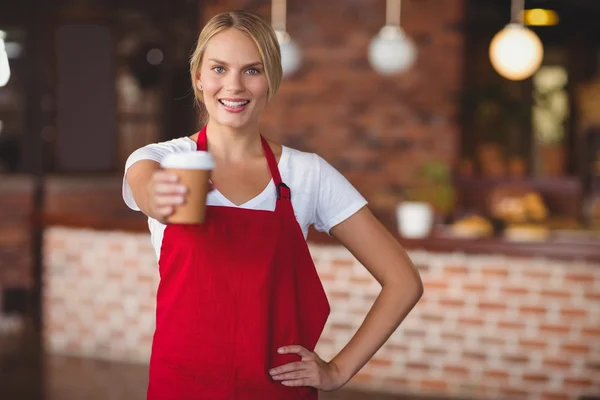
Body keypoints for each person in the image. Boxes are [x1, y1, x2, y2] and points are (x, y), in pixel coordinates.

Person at [123, 10, 423, 400]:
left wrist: (337, 371)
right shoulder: (163, 161)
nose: (233, 85)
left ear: (271, 81)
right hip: (181, 387)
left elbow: (403, 281)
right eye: (218, 68)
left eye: (252, 70)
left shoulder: (307, 174)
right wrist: (161, 197)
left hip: (276, 391)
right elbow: (146, 188)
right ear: (198, 77)